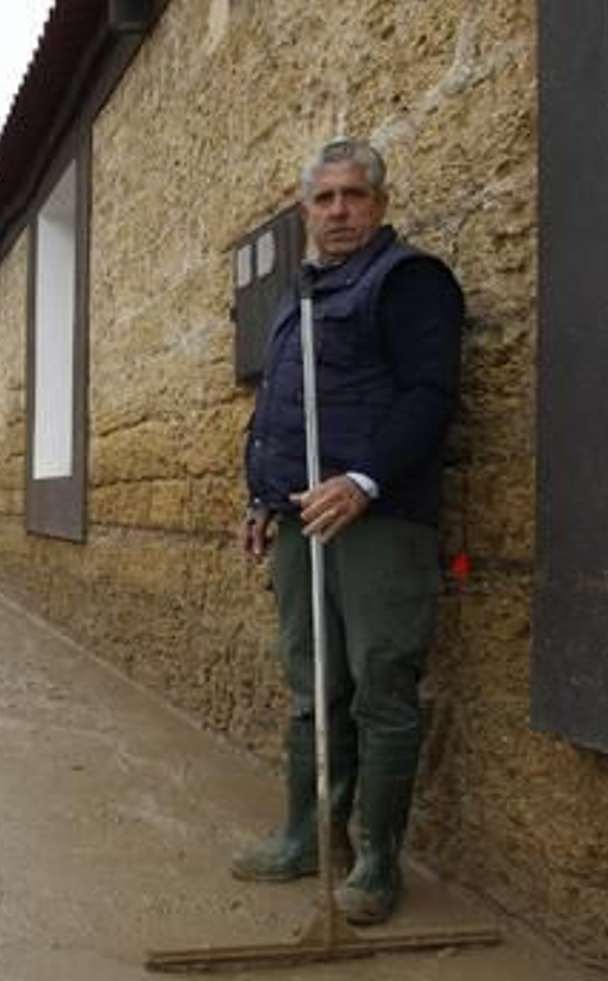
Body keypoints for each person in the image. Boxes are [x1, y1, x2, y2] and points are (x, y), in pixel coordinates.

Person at [233, 137, 464, 926]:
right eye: (324, 199)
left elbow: (431, 396)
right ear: (305, 212)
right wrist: (262, 498)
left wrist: (362, 481)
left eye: (353, 196)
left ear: (380, 204)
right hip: (302, 518)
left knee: (381, 684)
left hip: (378, 519)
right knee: (312, 685)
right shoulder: (297, 299)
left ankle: (374, 861)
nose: (338, 211)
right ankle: (306, 835)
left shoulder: (409, 282)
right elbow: (280, 412)